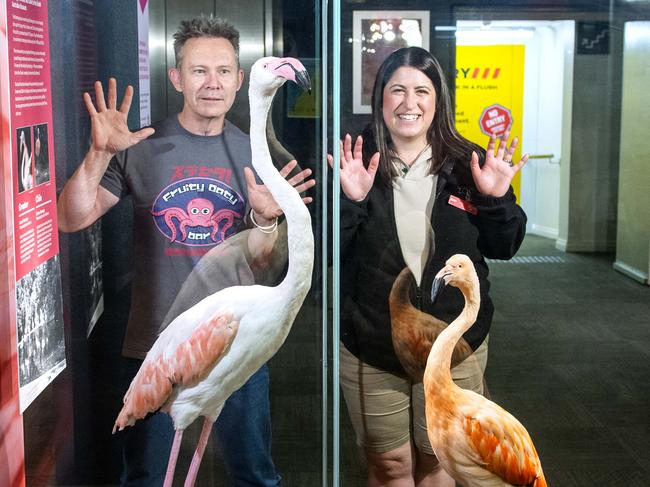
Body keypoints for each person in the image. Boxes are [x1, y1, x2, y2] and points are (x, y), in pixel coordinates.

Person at [57, 15, 314, 487]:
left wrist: (262, 219)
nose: (212, 83)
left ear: (239, 79)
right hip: (156, 348)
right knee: (149, 478)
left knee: (255, 475)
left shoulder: (260, 159)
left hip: (239, 347)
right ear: (176, 77)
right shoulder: (141, 146)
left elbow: (264, 266)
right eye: (198, 71)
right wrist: (98, 153)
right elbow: (72, 217)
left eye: (223, 71)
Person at [329, 47, 527, 486]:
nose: (409, 103)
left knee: (439, 460)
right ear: (380, 98)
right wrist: (351, 202)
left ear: (439, 101)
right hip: (373, 343)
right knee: (390, 465)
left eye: (422, 91)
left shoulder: (467, 162)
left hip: (454, 348)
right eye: (397, 90)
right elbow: (326, 255)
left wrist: (494, 199)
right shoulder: (354, 160)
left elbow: (505, 245)